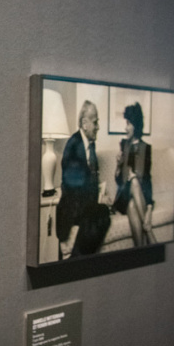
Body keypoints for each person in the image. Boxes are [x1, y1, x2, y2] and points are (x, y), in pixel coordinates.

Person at [56, 101, 111, 258]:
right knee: (101, 213)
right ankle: (76, 259)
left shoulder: (90, 146)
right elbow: (74, 188)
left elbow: (91, 181)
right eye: (95, 122)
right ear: (85, 123)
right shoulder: (73, 145)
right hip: (72, 207)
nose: (98, 126)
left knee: (101, 211)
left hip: (83, 204)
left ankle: (77, 259)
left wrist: (101, 196)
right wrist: (98, 200)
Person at [113, 102, 155, 247]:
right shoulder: (123, 144)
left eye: (129, 123)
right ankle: (149, 231)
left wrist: (149, 207)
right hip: (123, 195)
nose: (126, 127)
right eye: (126, 123)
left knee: (132, 206)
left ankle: (141, 251)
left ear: (136, 125)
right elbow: (118, 180)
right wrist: (118, 166)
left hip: (137, 198)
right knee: (135, 181)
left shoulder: (146, 148)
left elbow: (148, 180)